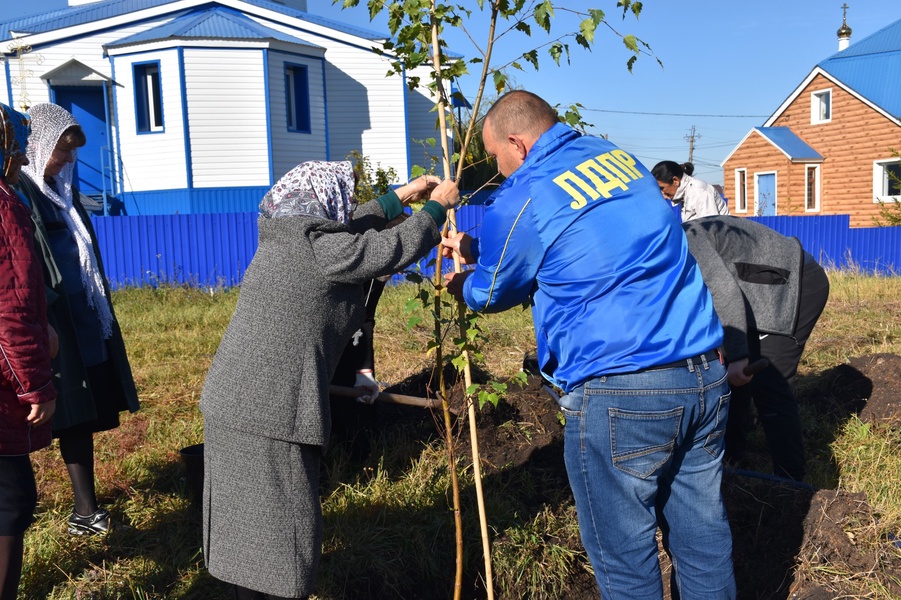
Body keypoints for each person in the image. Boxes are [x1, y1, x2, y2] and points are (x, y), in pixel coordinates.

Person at [442, 90, 735, 599]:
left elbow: (490, 290)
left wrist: (459, 284)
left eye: (495, 156)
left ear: (518, 143)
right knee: (704, 541)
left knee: (625, 560)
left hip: (621, 393)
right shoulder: (618, 159)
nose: (498, 167)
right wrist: (475, 246)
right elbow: (583, 237)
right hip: (704, 375)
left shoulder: (524, 193)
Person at [199, 160, 459, 600]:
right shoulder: (323, 252)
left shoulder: (287, 237)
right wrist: (434, 211)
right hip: (269, 414)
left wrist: (403, 195)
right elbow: (388, 248)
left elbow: (349, 225)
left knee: (247, 539)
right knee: (286, 536)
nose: (348, 205)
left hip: (235, 403)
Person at [16, 102, 140, 536]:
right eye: (62, 149)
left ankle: (85, 510)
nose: (69, 159)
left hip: (82, 316)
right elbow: (27, 264)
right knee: (63, 408)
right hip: (51, 320)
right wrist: (41, 313)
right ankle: (69, 511)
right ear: (38, 146)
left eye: (71, 150)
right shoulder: (23, 194)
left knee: (82, 409)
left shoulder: (61, 193)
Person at [682, 216, 830, 481]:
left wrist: (737, 354)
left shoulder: (688, 238)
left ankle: (791, 482)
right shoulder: (669, 246)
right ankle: (734, 458)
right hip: (757, 290)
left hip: (793, 286)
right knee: (734, 379)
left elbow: (722, 290)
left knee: (770, 385)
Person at [0, 102, 58, 600]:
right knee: (9, 501)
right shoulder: (3, 206)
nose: (20, 159)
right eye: (15, 147)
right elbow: (10, 308)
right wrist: (35, 382)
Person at [652, 160, 730, 221]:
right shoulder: (686, 193)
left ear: (675, 180)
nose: (663, 194)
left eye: (662, 188)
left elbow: (711, 228)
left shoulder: (699, 191)